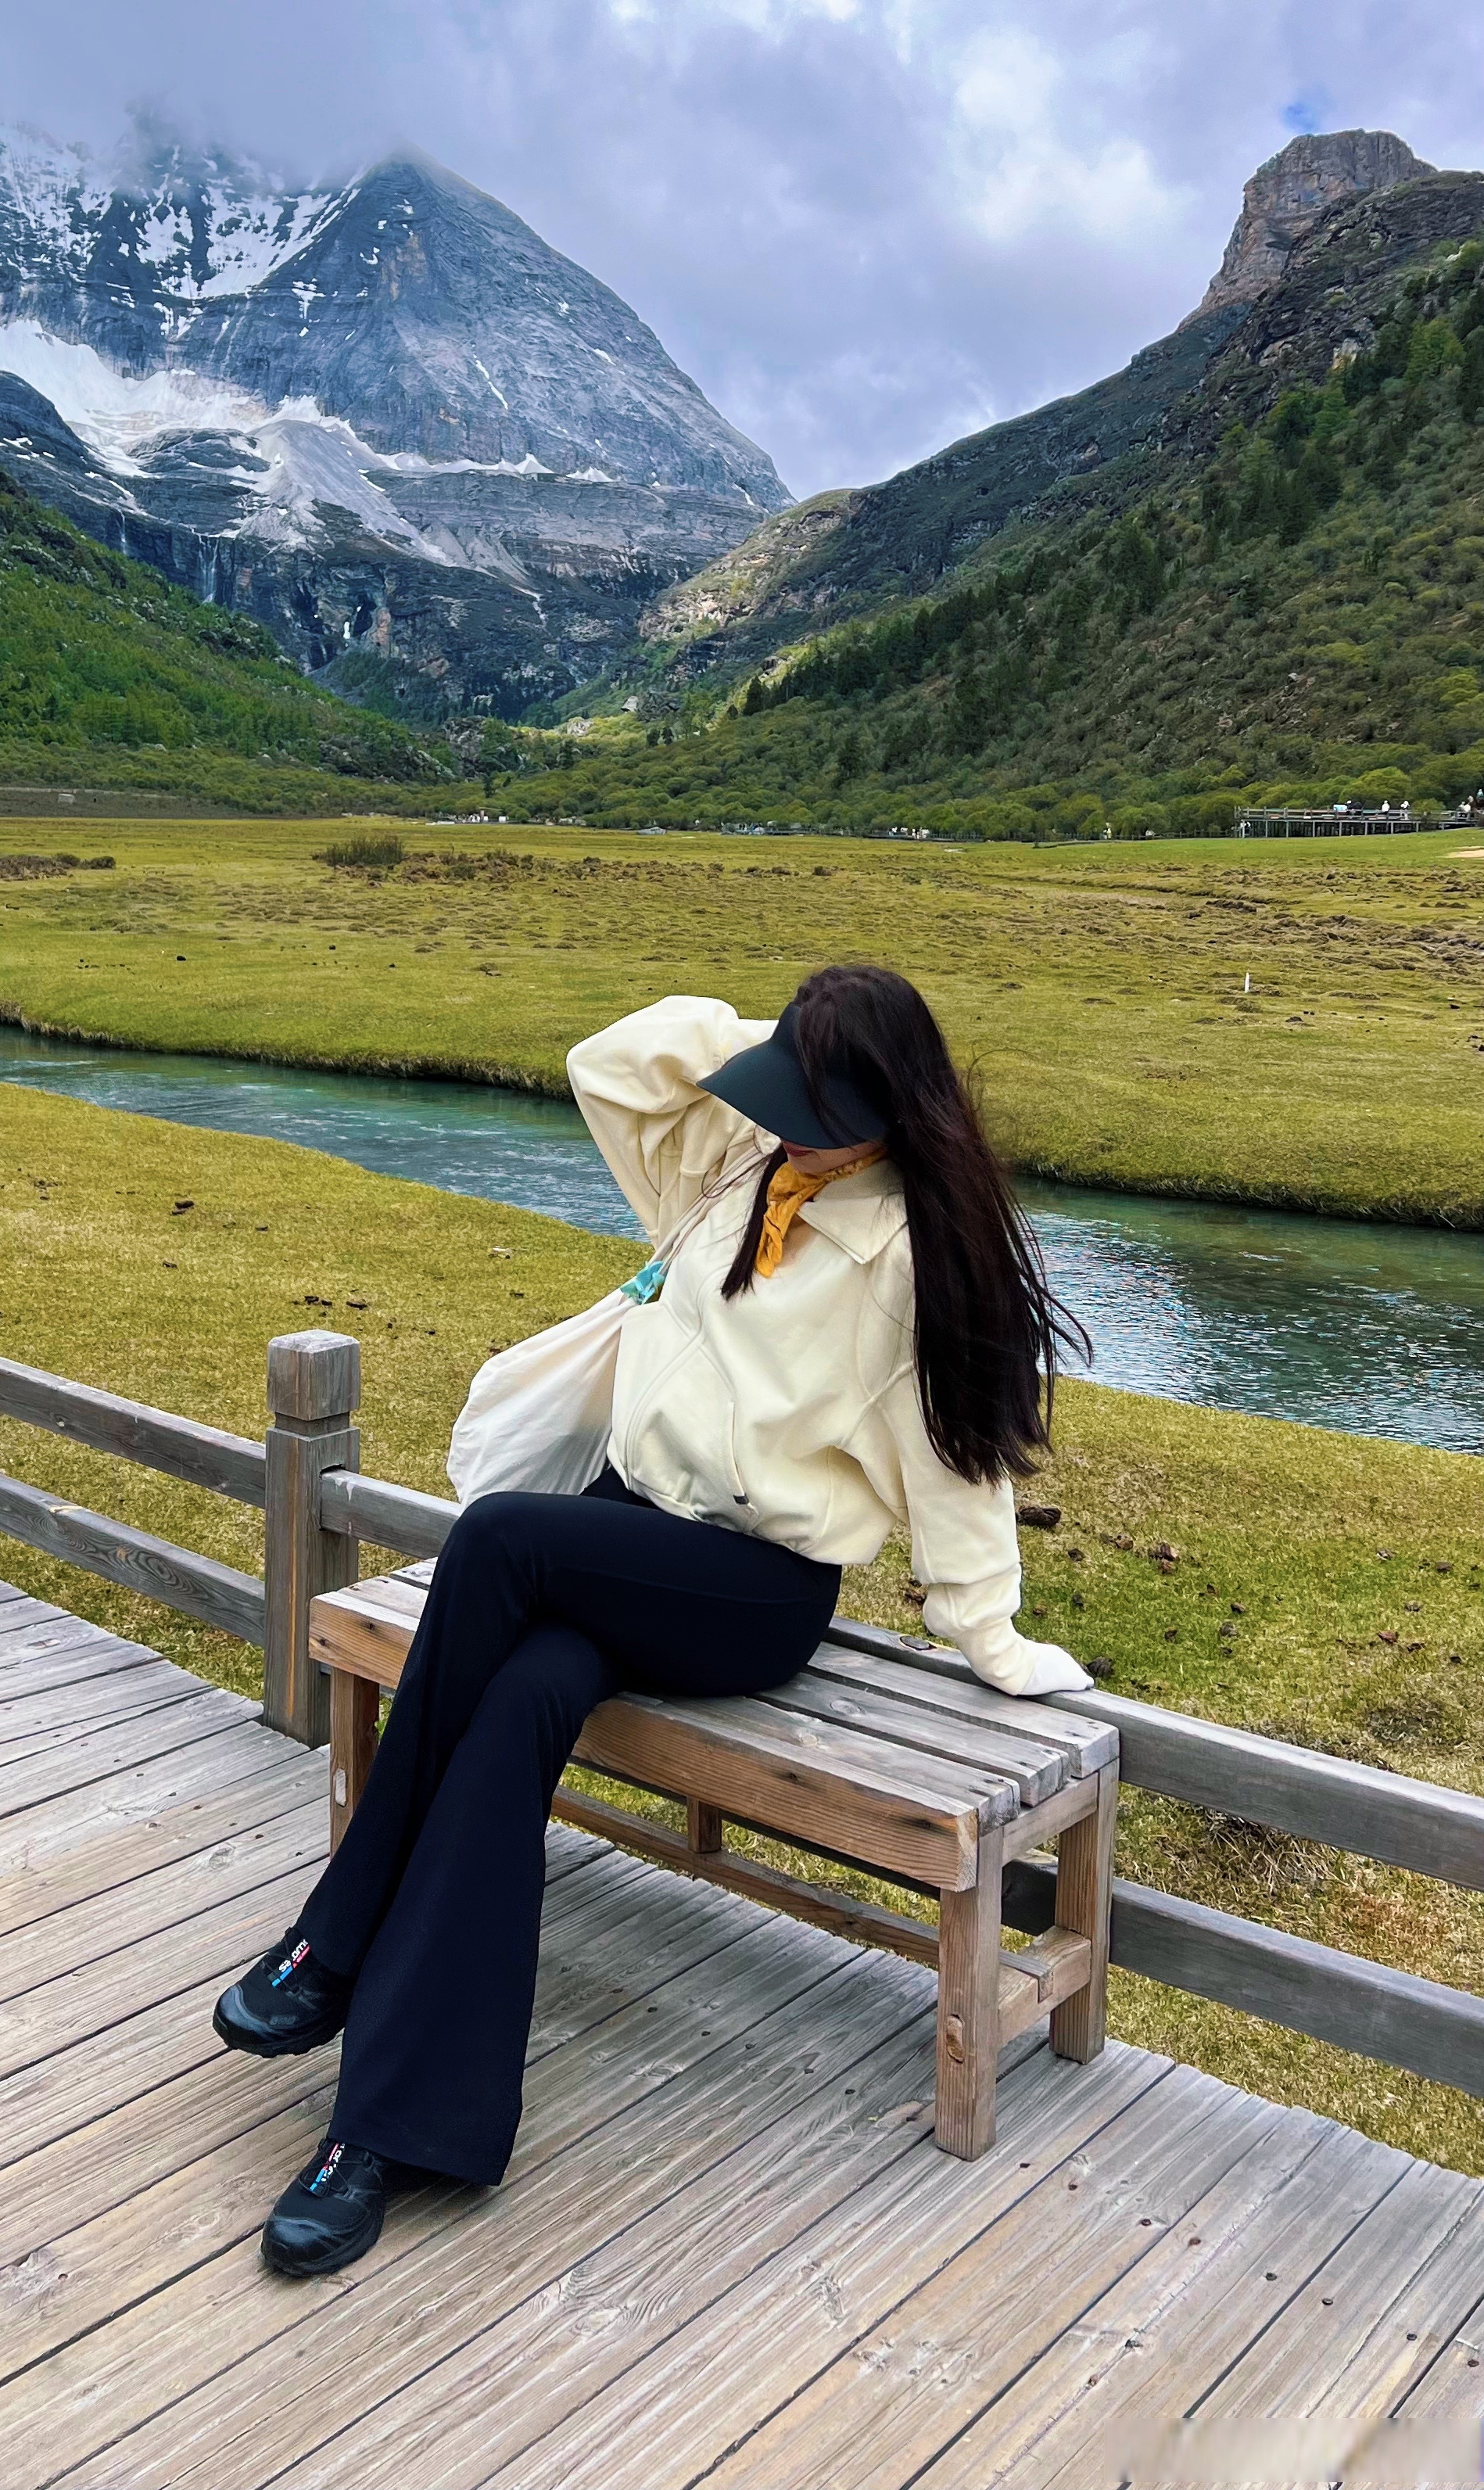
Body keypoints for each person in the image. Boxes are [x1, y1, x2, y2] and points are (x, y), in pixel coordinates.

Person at [213, 965, 1093, 2278]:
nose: (789, 1123)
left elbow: (960, 1468)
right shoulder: (737, 1165)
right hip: (624, 1537)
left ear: (892, 1111)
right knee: (514, 1712)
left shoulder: (913, 1255)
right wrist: (783, 1048)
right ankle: (388, 2132)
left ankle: (335, 1937)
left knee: (502, 1539)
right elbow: (607, 1065)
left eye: (816, 1105)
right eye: (784, 1098)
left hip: (749, 1590)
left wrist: (992, 1635)